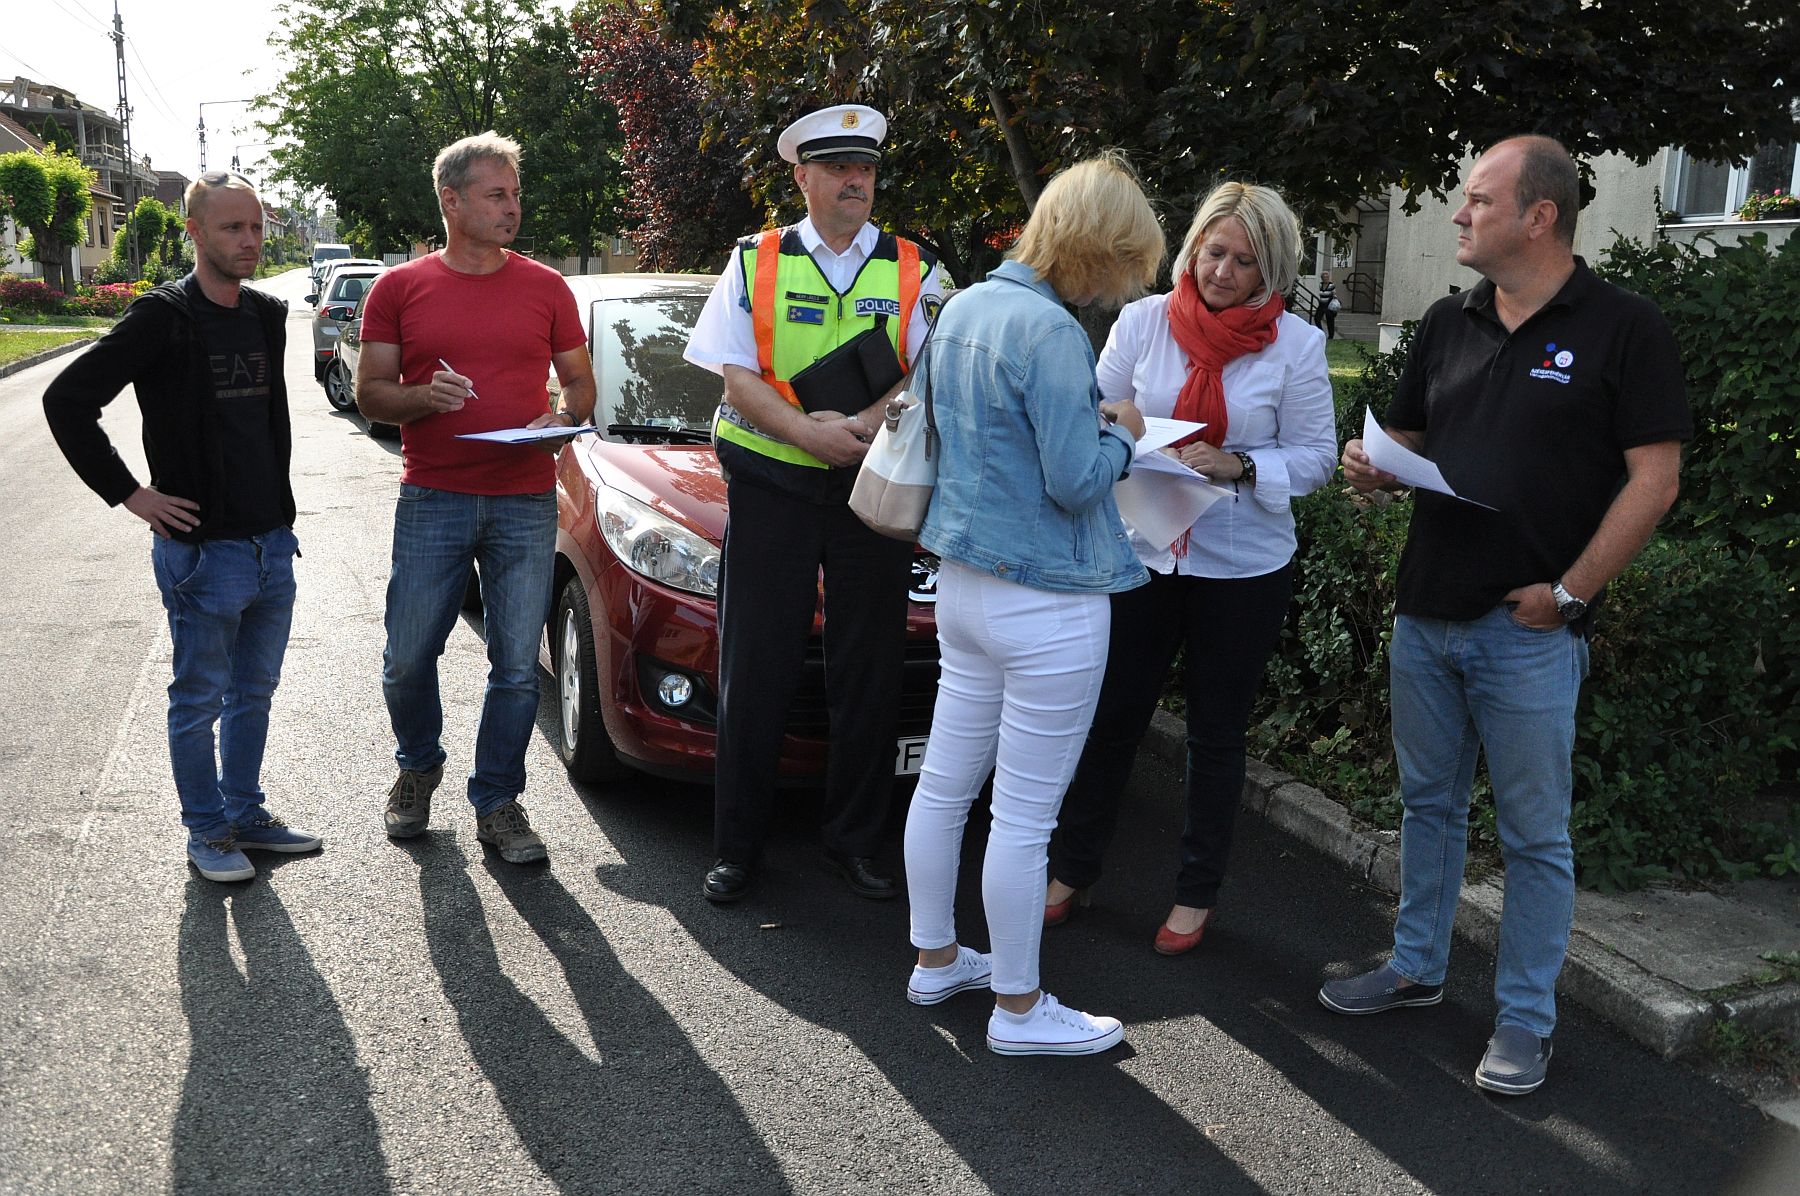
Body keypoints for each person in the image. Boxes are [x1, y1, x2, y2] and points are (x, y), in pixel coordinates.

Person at [1320, 135, 1689, 1096]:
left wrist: (1570, 596)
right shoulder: (1449, 321)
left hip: (1527, 630)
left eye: (1478, 199)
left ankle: (1526, 1021)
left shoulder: (1623, 327)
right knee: (1427, 810)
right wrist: (1370, 471)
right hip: (1425, 614)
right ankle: (1414, 969)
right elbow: (1402, 440)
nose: (1458, 213)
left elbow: (1656, 481)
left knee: (1533, 839)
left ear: (1540, 215)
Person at [901, 155, 1163, 1057]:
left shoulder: (964, 305)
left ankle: (937, 958)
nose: (1127, 280)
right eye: (1126, 258)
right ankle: (1020, 1010)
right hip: (1048, 601)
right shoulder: (1051, 332)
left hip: (965, 585)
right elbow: (1075, 482)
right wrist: (1123, 437)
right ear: (1097, 246)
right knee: (1024, 818)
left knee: (944, 787)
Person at [1045, 182, 1337, 954]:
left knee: (1216, 735)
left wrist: (1238, 463)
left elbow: (1316, 460)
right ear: (1192, 250)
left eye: (1244, 261)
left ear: (1270, 269)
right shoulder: (1142, 323)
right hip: (1141, 550)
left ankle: (1195, 893)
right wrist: (1131, 432)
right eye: (1214, 252)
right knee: (1111, 722)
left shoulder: (1298, 347)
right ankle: (1072, 869)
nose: (1223, 272)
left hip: (1240, 567)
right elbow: (1093, 411)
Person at [683, 104, 946, 904]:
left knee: (866, 668)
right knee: (756, 665)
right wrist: (806, 433)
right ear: (802, 178)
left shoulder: (918, 266)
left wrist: (860, 427)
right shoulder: (753, 260)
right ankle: (738, 849)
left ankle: (856, 842)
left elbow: (927, 369)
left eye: (865, 169)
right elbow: (735, 377)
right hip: (773, 485)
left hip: (870, 484)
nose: (855, 182)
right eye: (837, 169)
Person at [43, 170, 320, 883]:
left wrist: (280, 524)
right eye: (233, 228)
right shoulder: (162, 317)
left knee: (254, 693)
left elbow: (263, 425)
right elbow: (67, 400)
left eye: (256, 226)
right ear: (194, 232)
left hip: (269, 545)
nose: (251, 240)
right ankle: (207, 834)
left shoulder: (263, 313)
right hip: (203, 554)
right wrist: (131, 495)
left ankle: (245, 814)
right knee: (199, 698)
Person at [355, 132, 595, 864]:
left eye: (516, 194)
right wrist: (425, 396)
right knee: (406, 658)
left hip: (525, 499)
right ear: (452, 200)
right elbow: (370, 395)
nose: (513, 207)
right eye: (498, 194)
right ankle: (418, 763)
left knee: (518, 666)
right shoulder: (399, 289)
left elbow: (581, 386)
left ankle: (497, 802)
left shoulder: (546, 287)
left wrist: (559, 420)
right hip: (434, 496)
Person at [1314, 270, 1339, 339]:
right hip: (1321, 304)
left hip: (1328, 304)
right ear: (1322, 278)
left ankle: (1331, 336)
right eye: (1324, 277)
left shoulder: (1331, 285)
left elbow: (1334, 293)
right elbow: (1321, 293)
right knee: (1317, 318)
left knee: (1330, 320)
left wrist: (1334, 296)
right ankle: (1321, 333)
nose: (1325, 278)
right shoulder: (1320, 284)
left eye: (1327, 277)